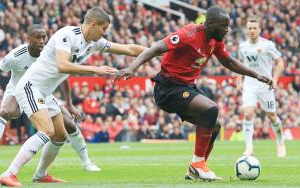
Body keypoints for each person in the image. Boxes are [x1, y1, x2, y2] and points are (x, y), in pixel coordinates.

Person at [115, 6, 274, 181]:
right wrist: (132, 67)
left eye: (228, 26)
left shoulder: (215, 40)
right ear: (210, 23)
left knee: (215, 126)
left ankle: (195, 170)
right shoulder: (188, 34)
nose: (227, 30)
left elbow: (228, 61)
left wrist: (256, 75)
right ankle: (198, 165)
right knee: (211, 109)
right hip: (167, 88)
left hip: (186, 87)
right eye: (223, 26)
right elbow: (156, 48)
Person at [0, 7, 146, 186]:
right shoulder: (67, 35)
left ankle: (40, 174)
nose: (104, 33)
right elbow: (62, 65)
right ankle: (9, 173)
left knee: (60, 135)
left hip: (45, 92)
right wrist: (94, 69)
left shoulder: (94, 43)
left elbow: (128, 49)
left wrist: (160, 50)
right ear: (93, 24)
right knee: (46, 130)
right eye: (103, 28)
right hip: (31, 86)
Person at [0, 25, 101, 175]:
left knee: (68, 127)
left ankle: (83, 163)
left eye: (44, 37)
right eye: (38, 37)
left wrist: (69, 104)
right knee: (6, 111)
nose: (42, 41)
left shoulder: (50, 52)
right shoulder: (18, 54)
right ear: (29, 39)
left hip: (42, 92)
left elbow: (63, 77)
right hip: (17, 90)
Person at [237, 18, 286, 157]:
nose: (252, 30)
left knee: (271, 116)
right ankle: (249, 147)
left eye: (254, 28)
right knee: (247, 113)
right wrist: (239, 81)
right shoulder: (243, 47)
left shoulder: (268, 45)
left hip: (266, 86)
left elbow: (280, 63)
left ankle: (280, 142)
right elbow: (239, 64)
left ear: (259, 29)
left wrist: (275, 79)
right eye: (250, 28)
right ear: (247, 30)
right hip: (250, 85)